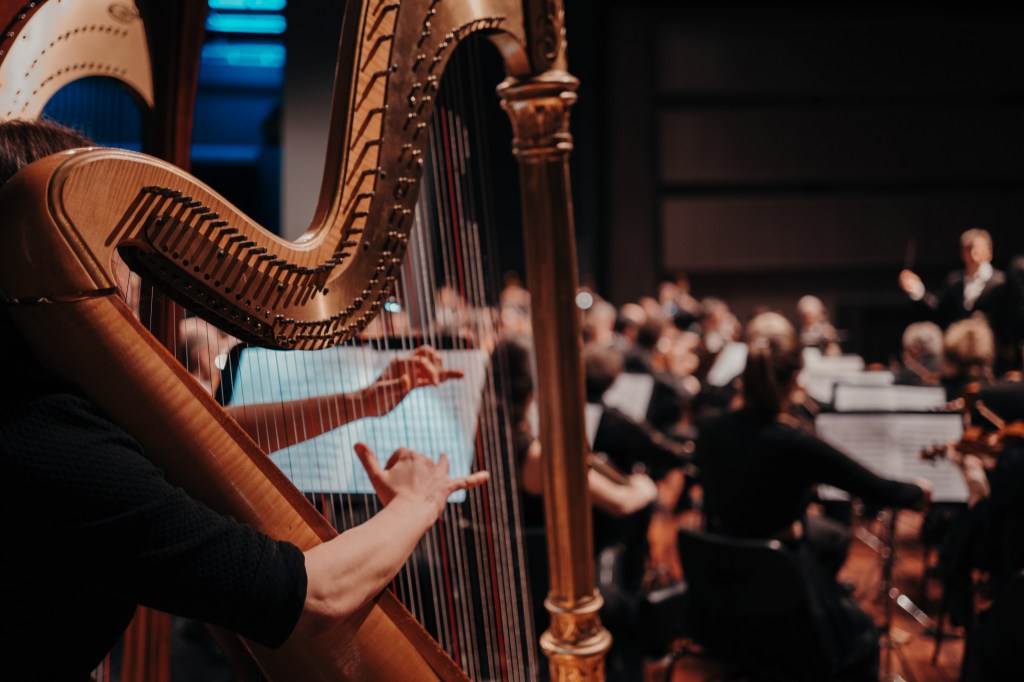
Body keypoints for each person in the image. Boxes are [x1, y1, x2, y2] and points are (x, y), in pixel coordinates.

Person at [0, 119, 489, 679]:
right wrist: (418, 502)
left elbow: (186, 439)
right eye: (111, 243)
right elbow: (312, 598)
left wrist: (363, 401)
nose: (129, 274)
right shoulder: (50, 442)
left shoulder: (33, 408)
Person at [694, 311, 930, 680]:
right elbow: (876, 488)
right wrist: (919, 490)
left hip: (726, 569)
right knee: (862, 639)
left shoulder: (709, 429)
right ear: (791, 382)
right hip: (781, 570)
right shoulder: (794, 441)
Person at [898, 228, 1006, 331]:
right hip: (957, 346)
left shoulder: (1001, 282)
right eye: (968, 249)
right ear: (962, 254)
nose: (973, 253)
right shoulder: (954, 281)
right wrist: (916, 288)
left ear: (989, 252)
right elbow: (938, 310)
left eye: (978, 248)